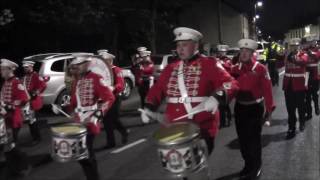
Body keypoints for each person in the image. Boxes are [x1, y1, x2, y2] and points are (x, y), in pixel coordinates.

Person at [140, 27, 238, 155]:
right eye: (178, 45)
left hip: (201, 126)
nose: (180, 49)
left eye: (184, 45)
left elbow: (232, 83)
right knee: (177, 168)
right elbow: (157, 90)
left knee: (197, 169)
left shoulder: (210, 64)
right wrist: (148, 107)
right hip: (174, 125)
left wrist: (216, 97)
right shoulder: (170, 68)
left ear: (196, 45)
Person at [231, 39, 275, 180]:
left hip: (255, 108)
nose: (243, 54)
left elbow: (268, 91)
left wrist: (269, 111)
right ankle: (248, 165)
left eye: (246, 51)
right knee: (243, 139)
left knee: (253, 140)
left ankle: (256, 166)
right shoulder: (235, 68)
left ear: (252, 53)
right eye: (241, 51)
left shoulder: (260, 68)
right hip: (240, 108)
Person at [68, 55, 115, 180]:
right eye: (76, 65)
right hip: (79, 121)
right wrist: (67, 108)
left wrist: (98, 114)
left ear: (87, 64)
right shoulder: (77, 80)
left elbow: (109, 98)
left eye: (79, 64)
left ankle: (93, 177)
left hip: (90, 120)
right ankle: (92, 176)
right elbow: (74, 100)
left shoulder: (96, 78)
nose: (77, 67)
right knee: (81, 154)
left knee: (85, 152)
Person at [0, 59, 31, 179]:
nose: (0, 72)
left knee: (10, 145)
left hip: (13, 118)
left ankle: (20, 166)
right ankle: (15, 166)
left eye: (2, 69)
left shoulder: (16, 82)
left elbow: (24, 99)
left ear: (9, 69)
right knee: (7, 145)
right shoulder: (6, 82)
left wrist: (7, 106)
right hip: (6, 118)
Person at [97, 49, 128, 149]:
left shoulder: (116, 70)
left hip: (115, 97)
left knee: (112, 119)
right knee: (107, 121)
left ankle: (121, 134)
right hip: (104, 99)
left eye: (104, 60)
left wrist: (113, 87)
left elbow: (121, 85)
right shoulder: (99, 72)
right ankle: (113, 140)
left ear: (110, 60)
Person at [283, 38, 308, 139]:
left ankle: (302, 122)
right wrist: (280, 56)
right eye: (292, 46)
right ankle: (291, 128)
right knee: (290, 109)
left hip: (299, 85)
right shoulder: (287, 55)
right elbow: (279, 64)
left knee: (301, 106)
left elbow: (303, 62)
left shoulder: (303, 54)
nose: (294, 47)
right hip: (288, 86)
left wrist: (292, 57)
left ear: (299, 46)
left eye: (295, 46)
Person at [21, 61, 47, 145]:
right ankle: (35, 137)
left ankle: (37, 138)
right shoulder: (24, 77)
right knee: (30, 121)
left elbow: (43, 85)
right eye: (24, 67)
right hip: (28, 102)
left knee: (33, 121)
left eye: (27, 67)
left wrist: (36, 92)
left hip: (34, 101)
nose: (25, 69)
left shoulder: (36, 75)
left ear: (31, 66)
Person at [215, 45, 233, 128]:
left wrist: (222, 64)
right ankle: (222, 121)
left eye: (223, 52)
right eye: (220, 52)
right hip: (219, 83)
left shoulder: (228, 60)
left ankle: (228, 118)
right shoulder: (216, 59)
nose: (221, 53)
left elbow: (229, 68)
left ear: (225, 52)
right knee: (219, 103)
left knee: (225, 101)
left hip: (227, 83)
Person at [305, 41, 320, 119]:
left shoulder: (317, 51)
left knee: (315, 95)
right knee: (307, 98)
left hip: (315, 77)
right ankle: (309, 114)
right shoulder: (304, 52)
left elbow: (317, 58)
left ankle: (317, 108)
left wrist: (311, 53)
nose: (311, 43)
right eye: (309, 42)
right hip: (307, 78)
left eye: (312, 42)